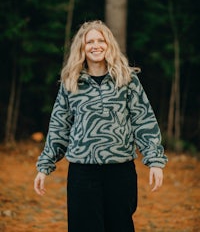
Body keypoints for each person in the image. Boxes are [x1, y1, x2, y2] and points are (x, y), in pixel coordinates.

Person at [34, 20, 168, 232]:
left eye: (101, 40)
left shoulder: (127, 79)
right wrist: (44, 167)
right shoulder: (71, 82)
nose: (96, 46)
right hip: (82, 172)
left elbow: (143, 120)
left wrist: (155, 161)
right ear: (82, 48)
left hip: (120, 171)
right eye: (90, 42)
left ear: (109, 44)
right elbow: (59, 127)